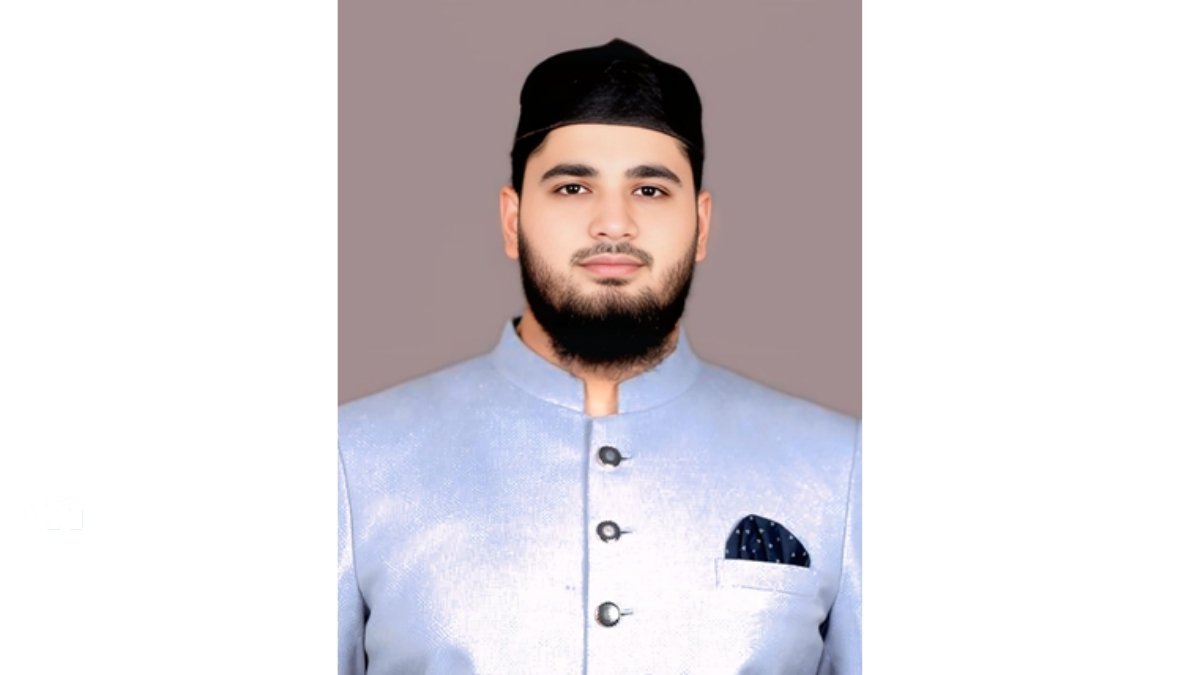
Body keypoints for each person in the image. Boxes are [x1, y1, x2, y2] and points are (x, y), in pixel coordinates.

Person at [339, 38, 861, 675]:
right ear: (512, 219)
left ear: (701, 225)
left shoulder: (842, 468)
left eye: (650, 190)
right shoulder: (351, 460)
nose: (613, 224)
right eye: (572, 187)